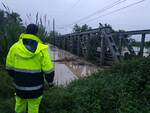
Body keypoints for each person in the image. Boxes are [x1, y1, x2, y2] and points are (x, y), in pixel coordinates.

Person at [6, 24, 54, 113]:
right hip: (36, 88)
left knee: (19, 105)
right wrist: (50, 82)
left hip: (19, 86)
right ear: (36, 33)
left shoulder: (15, 47)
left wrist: (15, 77)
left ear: (26, 31)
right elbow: (48, 70)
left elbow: (9, 67)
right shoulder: (42, 48)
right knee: (33, 108)